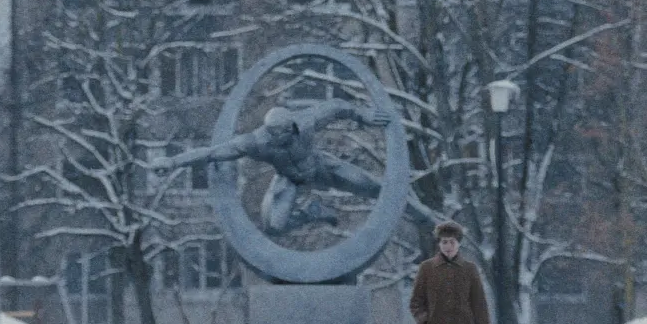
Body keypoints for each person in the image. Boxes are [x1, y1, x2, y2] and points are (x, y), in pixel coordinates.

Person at [152, 102, 440, 235]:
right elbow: (213, 152)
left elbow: (339, 107)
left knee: (377, 187)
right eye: (285, 134)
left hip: (322, 166)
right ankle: (311, 213)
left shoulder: (305, 121)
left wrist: (363, 115)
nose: (292, 134)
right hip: (289, 180)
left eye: (292, 130)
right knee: (273, 226)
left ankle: (424, 216)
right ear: (273, 134)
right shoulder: (256, 142)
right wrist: (174, 161)